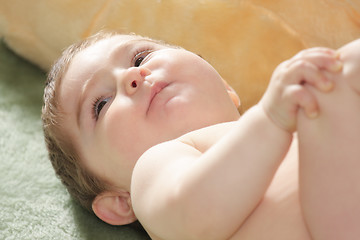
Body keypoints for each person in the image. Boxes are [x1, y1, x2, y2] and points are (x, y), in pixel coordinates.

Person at [41, 31, 360, 240]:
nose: (132, 76)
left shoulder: (292, 114)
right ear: (121, 203)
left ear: (225, 86)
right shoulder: (156, 166)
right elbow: (194, 215)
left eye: (140, 58)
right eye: (101, 104)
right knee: (339, 74)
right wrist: (270, 118)